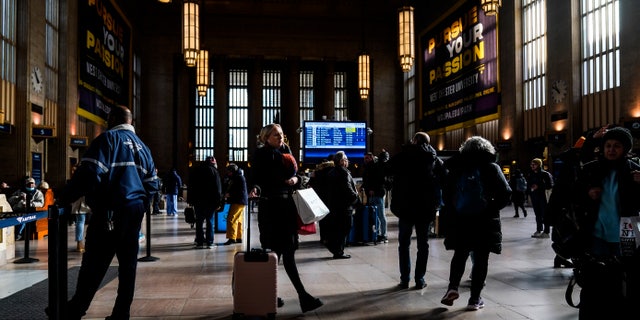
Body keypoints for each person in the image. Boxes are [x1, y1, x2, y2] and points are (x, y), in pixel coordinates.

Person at [51, 105, 159, 320]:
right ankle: (121, 314)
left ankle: (74, 311)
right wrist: (139, 206)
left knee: (94, 264)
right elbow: (152, 185)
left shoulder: (107, 140)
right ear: (130, 121)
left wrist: (64, 199)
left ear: (112, 119)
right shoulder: (143, 147)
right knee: (128, 266)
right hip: (134, 213)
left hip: (109, 211)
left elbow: (89, 174)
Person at [249, 123, 323, 313]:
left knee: (286, 254)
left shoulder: (287, 151)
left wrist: (295, 180)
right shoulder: (262, 154)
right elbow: (256, 177)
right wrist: (256, 187)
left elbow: (296, 174)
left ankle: (292, 296)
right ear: (266, 138)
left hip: (287, 209)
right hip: (272, 209)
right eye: (275, 135)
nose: (280, 137)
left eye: (281, 134)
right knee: (276, 255)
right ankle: (295, 296)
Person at [571, 126, 640, 319]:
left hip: (626, 236)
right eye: (608, 145)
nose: (611, 149)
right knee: (595, 281)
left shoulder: (635, 171)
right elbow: (574, 195)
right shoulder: (592, 169)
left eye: (617, 146)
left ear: (625, 149)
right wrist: (587, 194)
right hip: (596, 234)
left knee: (622, 280)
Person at [439, 136, 511, 311]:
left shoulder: (456, 168)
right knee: (480, 259)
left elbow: (446, 195)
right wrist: (490, 208)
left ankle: (452, 288)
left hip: (461, 219)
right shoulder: (492, 168)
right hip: (484, 221)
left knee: (460, 254)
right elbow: (506, 193)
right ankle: (474, 299)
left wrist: (455, 210)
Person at [389, 132, 446, 290]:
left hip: (405, 207)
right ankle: (419, 279)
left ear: (414, 141)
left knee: (404, 244)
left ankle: (405, 279)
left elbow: (387, 169)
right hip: (425, 208)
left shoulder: (403, 156)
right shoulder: (433, 158)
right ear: (428, 143)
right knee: (423, 244)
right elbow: (445, 177)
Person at [325, 151, 359, 259]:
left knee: (337, 228)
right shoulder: (344, 173)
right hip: (344, 207)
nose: (347, 161)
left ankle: (336, 248)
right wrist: (356, 197)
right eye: (346, 159)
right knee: (346, 227)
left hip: (334, 206)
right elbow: (348, 189)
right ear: (341, 161)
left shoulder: (331, 173)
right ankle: (338, 251)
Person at [188, 156, 223, 249]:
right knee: (210, 221)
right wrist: (218, 202)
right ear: (214, 163)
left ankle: (199, 242)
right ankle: (209, 242)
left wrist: (190, 200)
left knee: (199, 221)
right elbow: (218, 189)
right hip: (210, 202)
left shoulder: (196, 170)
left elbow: (190, 186)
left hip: (198, 201)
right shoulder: (214, 172)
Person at [362, 150, 390, 243]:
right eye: (365, 158)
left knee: (380, 215)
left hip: (377, 193)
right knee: (376, 215)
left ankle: (383, 235)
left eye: (368, 158)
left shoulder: (376, 166)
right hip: (372, 194)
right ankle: (377, 234)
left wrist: (372, 188)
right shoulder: (369, 167)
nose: (366, 159)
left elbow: (379, 179)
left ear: (372, 157)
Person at [308, 155, 334, 245]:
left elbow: (310, 183)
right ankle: (330, 238)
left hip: (320, 198)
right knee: (331, 219)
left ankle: (323, 238)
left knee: (323, 219)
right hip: (331, 198)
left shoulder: (317, 171)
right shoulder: (333, 171)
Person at [528, 158, 554, 238]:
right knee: (537, 214)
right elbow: (529, 184)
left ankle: (546, 232)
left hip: (543, 197)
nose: (532, 166)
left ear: (539, 165)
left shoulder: (545, 174)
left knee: (545, 214)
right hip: (535, 197)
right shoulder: (531, 174)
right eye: (531, 164)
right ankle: (539, 230)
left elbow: (550, 185)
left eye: (534, 164)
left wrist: (538, 186)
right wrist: (530, 188)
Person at [223, 163, 247, 245]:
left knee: (231, 219)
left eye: (229, 171)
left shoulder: (238, 178)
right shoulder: (238, 177)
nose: (227, 173)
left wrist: (229, 194)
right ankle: (238, 237)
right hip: (241, 201)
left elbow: (238, 191)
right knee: (238, 220)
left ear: (232, 171)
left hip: (238, 201)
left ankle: (232, 238)